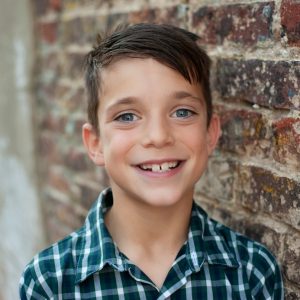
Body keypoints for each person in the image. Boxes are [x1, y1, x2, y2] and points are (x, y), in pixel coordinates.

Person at [19, 23, 284, 299]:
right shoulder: (49, 283)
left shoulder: (252, 272)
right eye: (127, 116)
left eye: (182, 112)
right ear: (95, 143)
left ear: (210, 133)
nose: (158, 137)